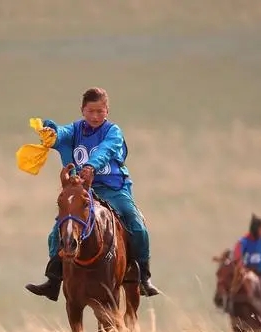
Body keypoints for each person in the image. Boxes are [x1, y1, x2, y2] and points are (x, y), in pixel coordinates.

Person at [25, 87, 161, 301]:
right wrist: (50, 130)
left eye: (100, 111)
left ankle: (143, 275)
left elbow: (105, 150)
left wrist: (90, 165)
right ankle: (53, 279)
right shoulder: (75, 130)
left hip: (114, 189)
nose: (95, 116)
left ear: (107, 110)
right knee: (57, 231)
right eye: (91, 111)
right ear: (82, 111)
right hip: (82, 191)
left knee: (136, 224)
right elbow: (61, 133)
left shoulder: (113, 132)